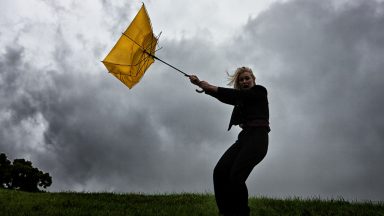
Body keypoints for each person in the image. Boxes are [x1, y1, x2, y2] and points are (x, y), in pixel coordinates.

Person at [189, 67, 270, 216]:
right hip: (244, 138)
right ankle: (225, 212)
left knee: (236, 176)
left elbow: (232, 95)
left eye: (247, 78)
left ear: (253, 80)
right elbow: (227, 97)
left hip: (258, 139)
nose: (245, 81)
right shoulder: (240, 99)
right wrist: (202, 85)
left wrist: (206, 86)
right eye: (241, 80)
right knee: (220, 171)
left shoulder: (259, 91)